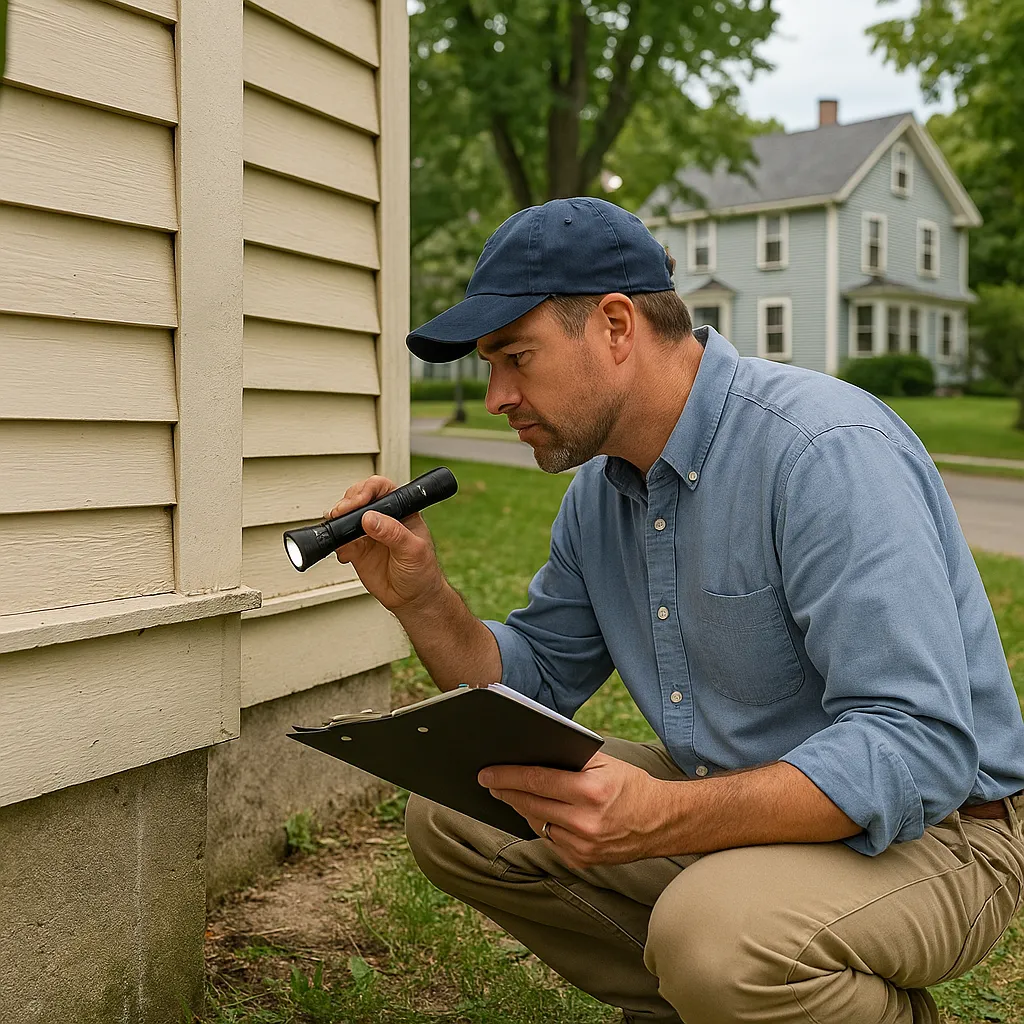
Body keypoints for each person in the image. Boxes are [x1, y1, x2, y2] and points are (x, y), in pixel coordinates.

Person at [328, 197, 1024, 1024]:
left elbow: (919, 745)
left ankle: (751, 977)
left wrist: (662, 817)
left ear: (617, 326)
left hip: (940, 836)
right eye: (489, 365)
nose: (496, 397)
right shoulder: (601, 494)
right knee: (459, 809)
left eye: (516, 356)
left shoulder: (822, 451)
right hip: (735, 807)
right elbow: (531, 689)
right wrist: (425, 599)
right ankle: (707, 1001)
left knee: (717, 939)